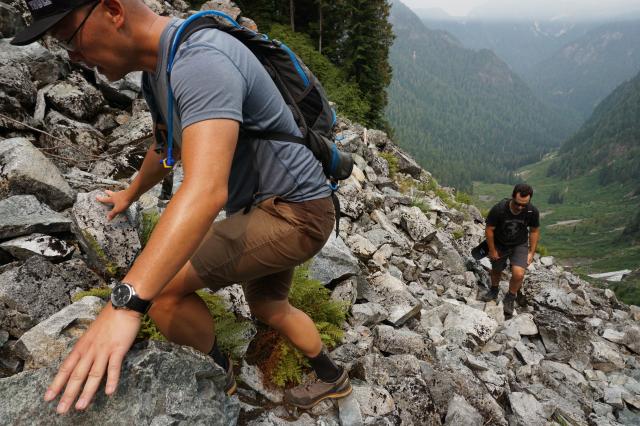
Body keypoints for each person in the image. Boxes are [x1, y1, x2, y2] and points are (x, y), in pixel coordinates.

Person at [11, 0, 351, 414]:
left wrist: (127, 303)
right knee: (269, 305)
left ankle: (220, 373)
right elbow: (166, 147)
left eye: (70, 38)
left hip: (291, 215)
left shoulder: (200, 61)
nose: (73, 56)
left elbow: (207, 191)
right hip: (290, 206)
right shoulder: (161, 71)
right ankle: (333, 377)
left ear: (113, 11)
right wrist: (131, 193)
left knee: (163, 292)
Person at [480, 183, 540, 316]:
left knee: (518, 274)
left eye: (524, 205)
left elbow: (534, 231)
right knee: (496, 269)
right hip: (500, 242)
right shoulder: (499, 209)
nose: (520, 207)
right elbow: (489, 229)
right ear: (512, 197)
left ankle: (510, 297)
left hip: (520, 244)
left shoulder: (532, 211)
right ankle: (494, 290)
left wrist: (531, 252)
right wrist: (492, 249)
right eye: (517, 203)